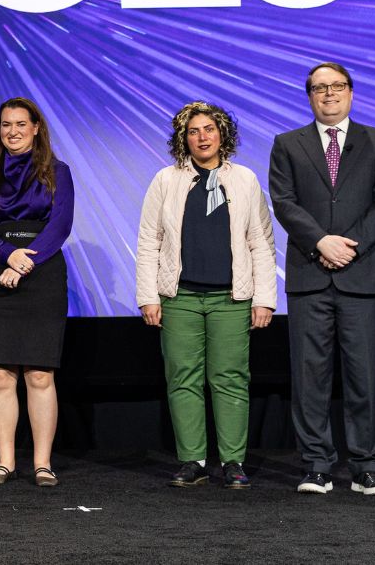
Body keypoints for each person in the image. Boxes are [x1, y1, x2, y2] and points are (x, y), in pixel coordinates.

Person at [270, 62, 375, 496]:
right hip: (309, 275)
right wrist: (320, 242)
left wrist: (350, 245)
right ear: (309, 95)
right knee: (310, 378)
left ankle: (368, 466)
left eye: (337, 86)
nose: (329, 94)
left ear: (351, 92)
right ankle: (316, 466)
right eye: (319, 88)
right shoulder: (287, 144)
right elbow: (284, 202)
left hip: (361, 275)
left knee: (364, 374)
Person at [136, 102, 276, 489]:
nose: (202, 137)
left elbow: (261, 242)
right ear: (184, 138)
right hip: (179, 297)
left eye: (209, 129)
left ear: (222, 134)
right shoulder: (166, 180)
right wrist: (148, 296)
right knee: (183, 378)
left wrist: (264, 298)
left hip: (231, 299)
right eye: (194, 131)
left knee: (230, 378)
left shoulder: (245, 179)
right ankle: (192, 460)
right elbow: (149, 241)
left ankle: (233, 461)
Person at [0, 97, 72, 487]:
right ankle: (5, 462)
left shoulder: (58, 172)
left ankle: (42, 464)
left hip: (42, 273)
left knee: (40, 374)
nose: (12, 131)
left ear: (36, 127)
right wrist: (7, 256)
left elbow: (59, 226)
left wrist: (25, 262)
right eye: (6, 125)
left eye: (20, 124)